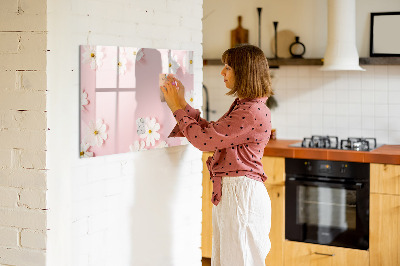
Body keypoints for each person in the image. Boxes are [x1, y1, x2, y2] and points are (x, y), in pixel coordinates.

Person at [161, 44, 273, 266]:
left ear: (244, 72)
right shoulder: (246, 106)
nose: (222, 72)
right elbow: (212, 133)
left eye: (228, 67)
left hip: (241, 195)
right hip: (236, 193)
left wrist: (176, 108)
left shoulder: (250, 111)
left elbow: (204, 141)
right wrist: (182, 104)